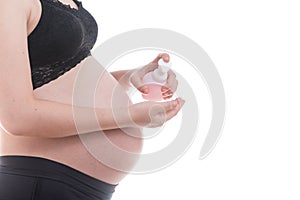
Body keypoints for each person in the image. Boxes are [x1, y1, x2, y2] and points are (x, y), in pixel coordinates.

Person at [0, 0, 184, 199]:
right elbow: (17, 116)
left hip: (78, 186)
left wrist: (130, 78)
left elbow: (63, 86)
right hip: (43, 181)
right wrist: (127, 116)